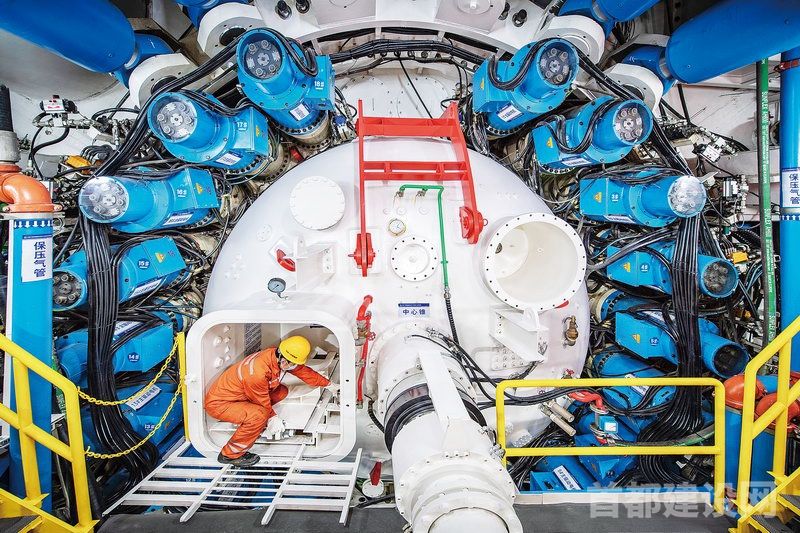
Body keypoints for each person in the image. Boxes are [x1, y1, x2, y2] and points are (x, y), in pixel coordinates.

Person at [204, 335, 332, 466]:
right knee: (259, 416)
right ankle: (230, 455)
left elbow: (303, 371)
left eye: (293, 363)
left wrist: (328, 384)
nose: (289, 366)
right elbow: (260, 401)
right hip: (221, 404)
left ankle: (251, 422)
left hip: (242, 395)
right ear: (281, 355)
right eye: (289, 363)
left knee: (281, 391)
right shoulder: (257, 372)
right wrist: (272, 418)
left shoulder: (276, 355)